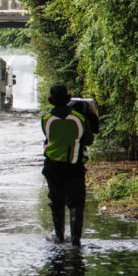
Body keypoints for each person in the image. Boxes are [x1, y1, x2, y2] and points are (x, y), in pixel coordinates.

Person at [41, 83, 94, 246]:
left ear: (51, 99)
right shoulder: (79, 119)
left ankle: (59, 236)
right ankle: (76, 240)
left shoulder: (46, 119)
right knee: (76, 204)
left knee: (57, 202)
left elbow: (48, 137)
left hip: (53, 167)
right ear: (68, 98)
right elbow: (89, 140)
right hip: (74, 166)